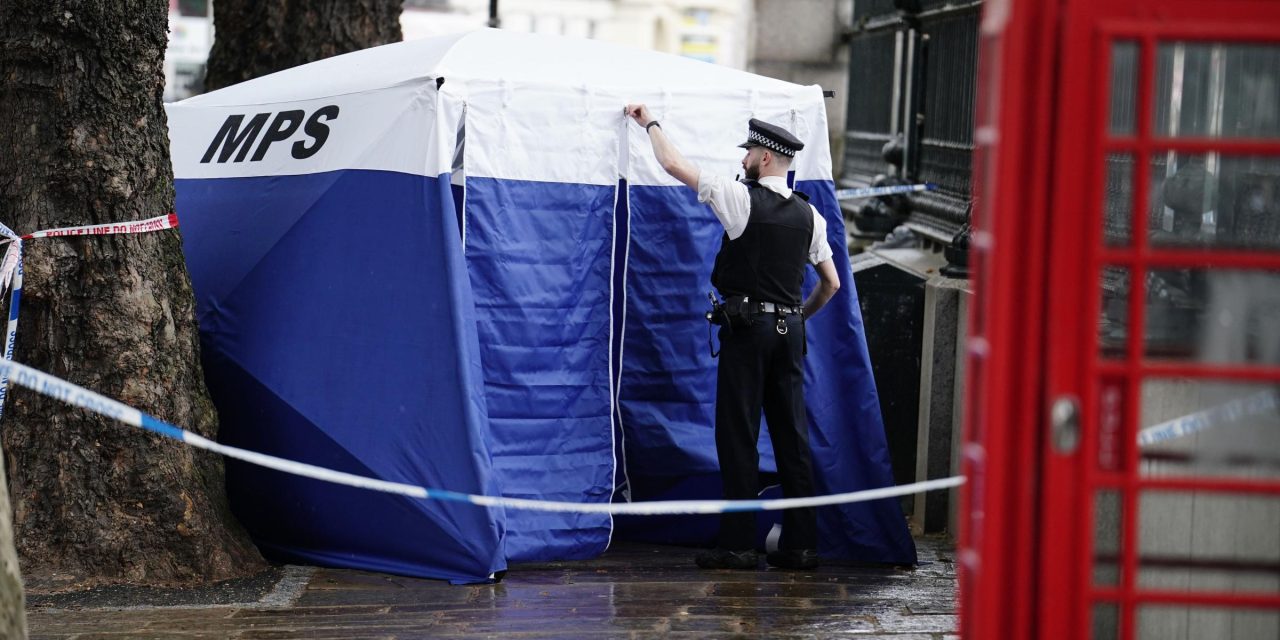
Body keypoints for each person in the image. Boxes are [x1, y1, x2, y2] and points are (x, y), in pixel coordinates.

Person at [625, 104, 842, 570]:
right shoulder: (810, 216)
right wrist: (796, 316)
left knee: (739, 436)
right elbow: (832, 284)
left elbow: (673, 165)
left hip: (748, 332)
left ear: (765, 158)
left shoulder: (741, 199)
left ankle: (739, 544)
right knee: (792, 438)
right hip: (790, 332)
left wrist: (651, 124)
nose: (743, 158)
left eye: (749, 152)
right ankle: (801, 546)